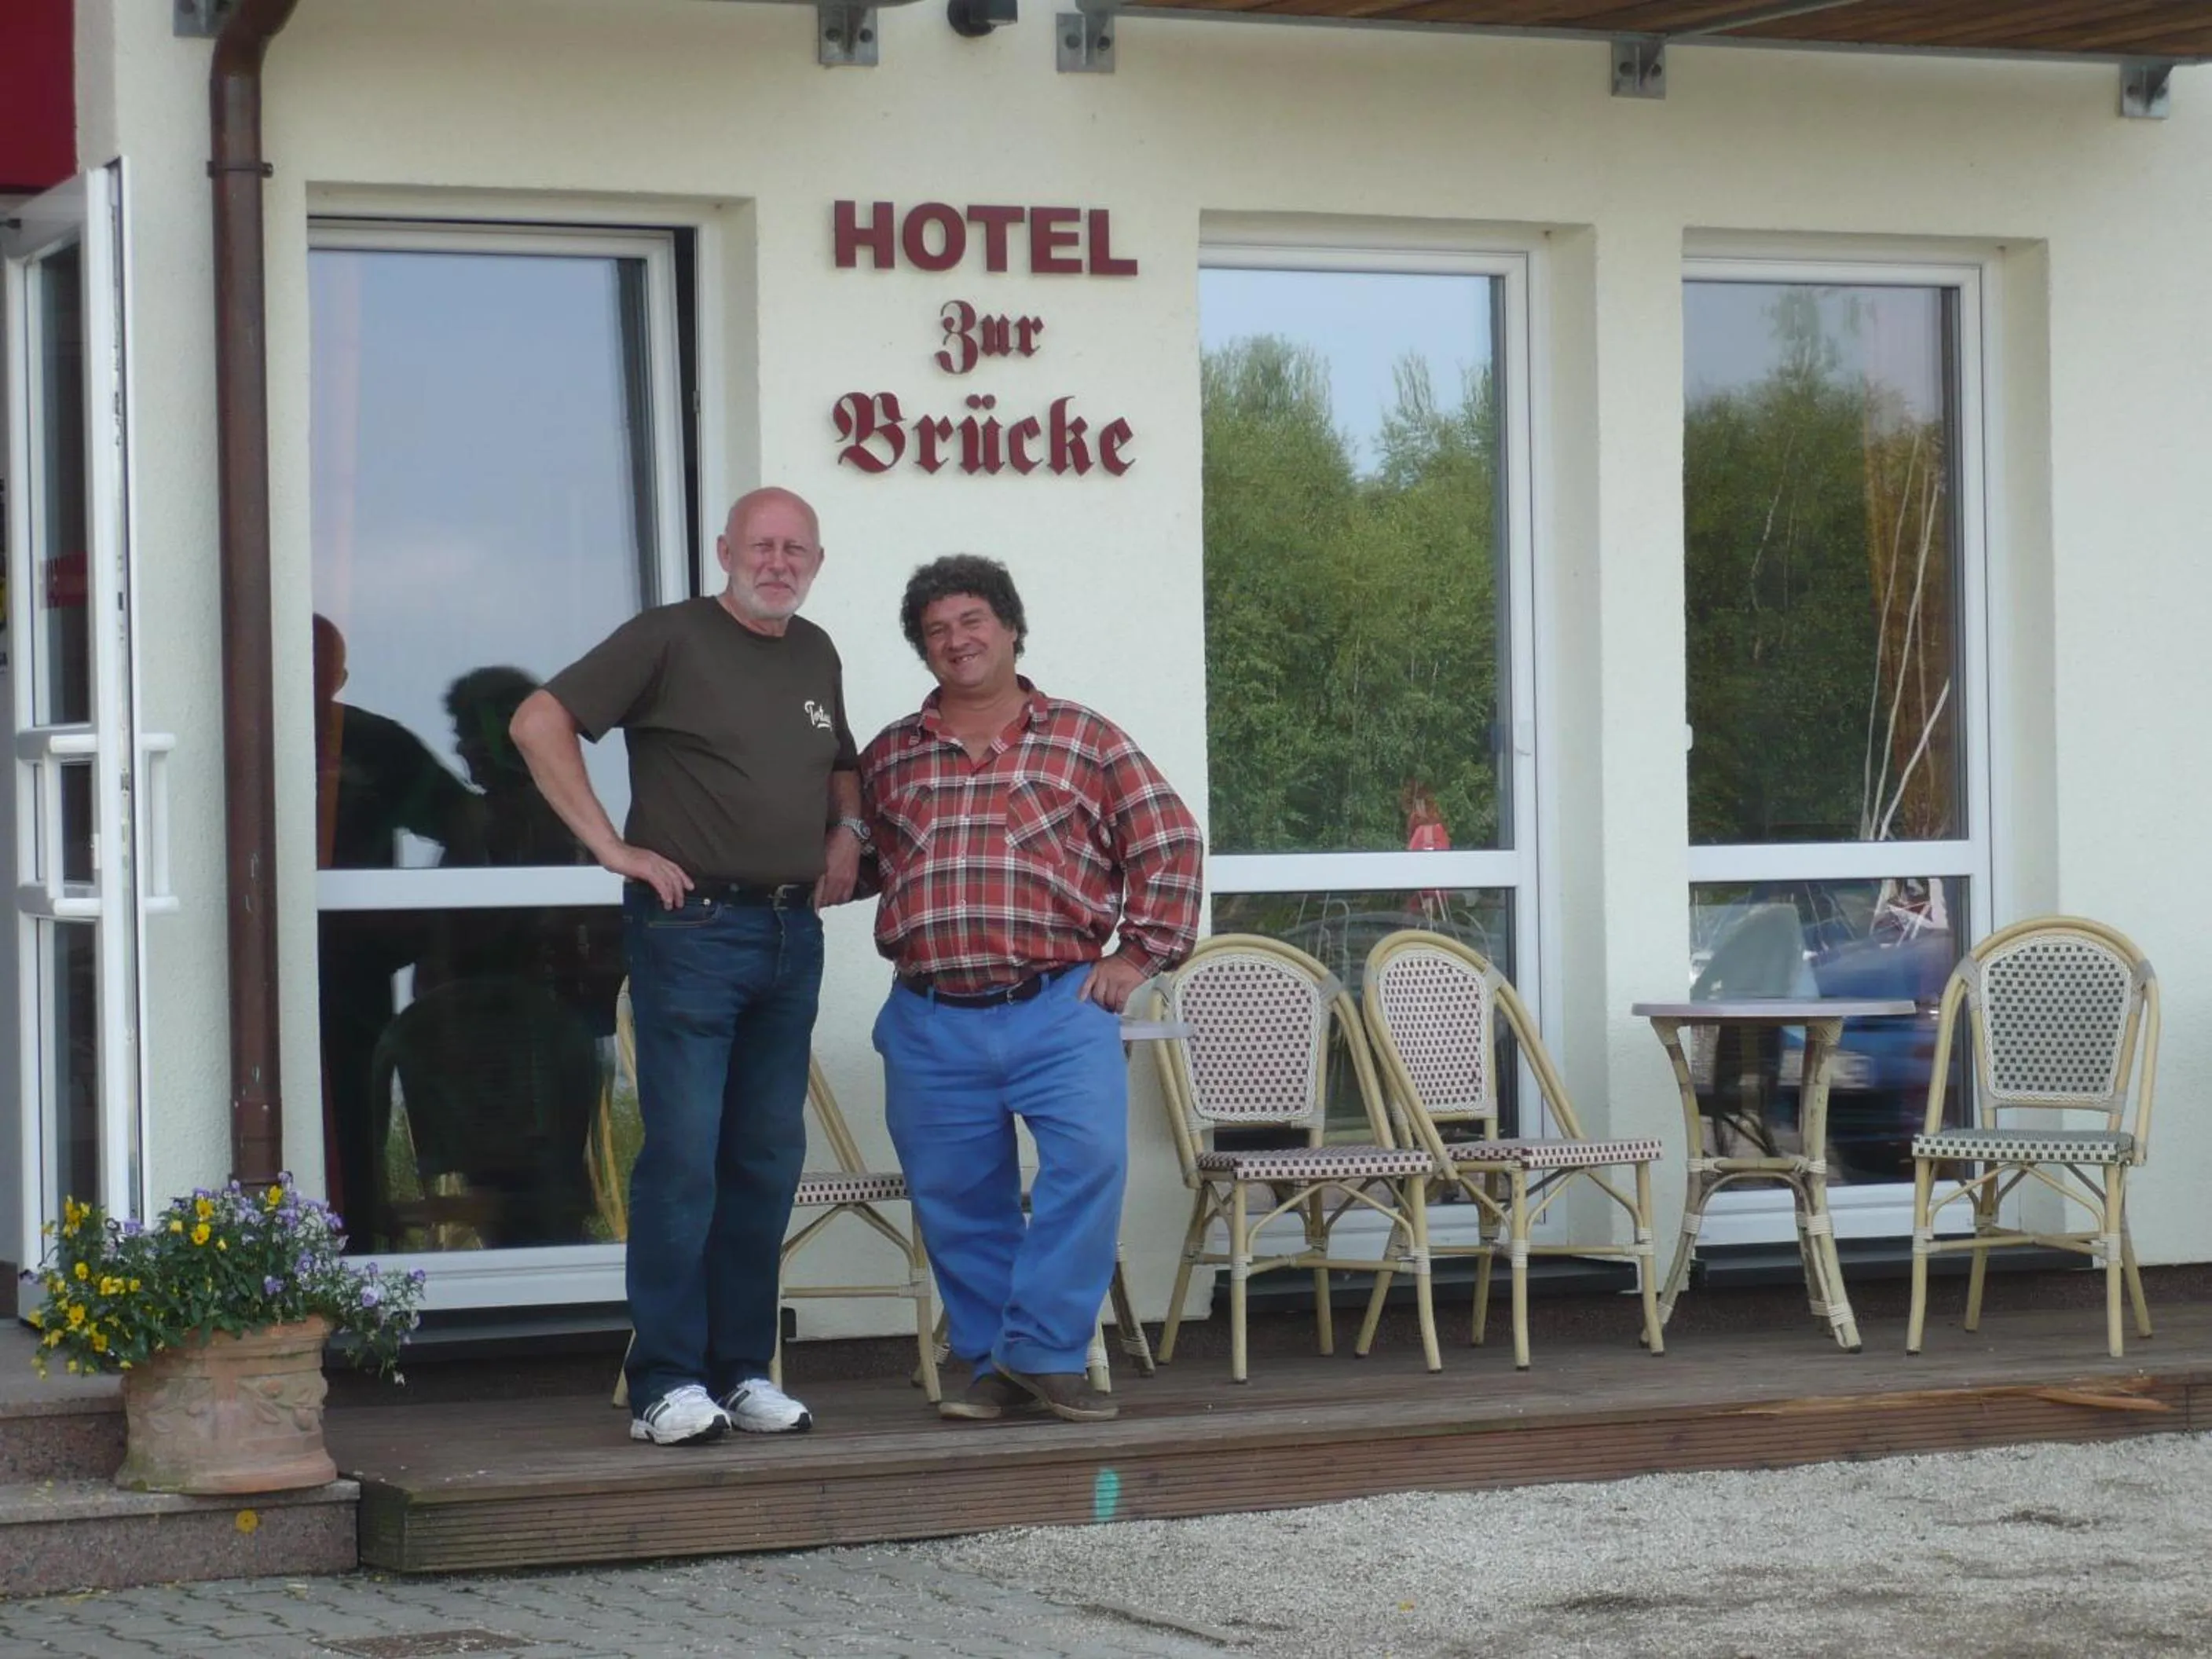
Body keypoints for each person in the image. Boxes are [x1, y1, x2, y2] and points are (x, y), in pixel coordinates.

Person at [509, 487, 865, 1448]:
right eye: (762, 544)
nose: (778, 560)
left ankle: (741, 1370)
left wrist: (849, 832)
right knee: (684, 1160)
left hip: (793, 937)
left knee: (764, 1160)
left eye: (796, 547)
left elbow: (840, 758)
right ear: (724, 551)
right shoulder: (667, 639)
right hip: (691, 931)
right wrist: (610, 848)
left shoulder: (815, 649)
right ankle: (664, 1379)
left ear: (816, 562)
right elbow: (538, 722)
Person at [859, 555, 1202, 1425]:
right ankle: (987, 1365)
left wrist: (1137, 957)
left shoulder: (1085, 738)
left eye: (971, 621)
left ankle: (1044, 1353)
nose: (955, 640)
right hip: (930, 1016)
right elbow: (851, 858)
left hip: (1058, 1005)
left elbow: (1168, 843)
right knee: (957, 1199)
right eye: (935, 631)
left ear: (1011, 629)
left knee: (1088, 1166)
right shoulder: (891, 755)